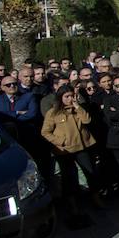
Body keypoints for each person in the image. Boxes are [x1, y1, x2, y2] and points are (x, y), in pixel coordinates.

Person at [41, 85, 99, 227]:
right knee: (69, 178)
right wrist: (60, 141)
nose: (69, 99)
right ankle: (73, 206)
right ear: (60, 98)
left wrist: (77, 106)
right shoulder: (53, 113)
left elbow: (87, 120)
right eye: (66, 97)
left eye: (71, 96)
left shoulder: (77, 108)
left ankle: (95, 198)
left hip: (82, 146)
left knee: (90, 171)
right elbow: (45, 132)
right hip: (65, 150)